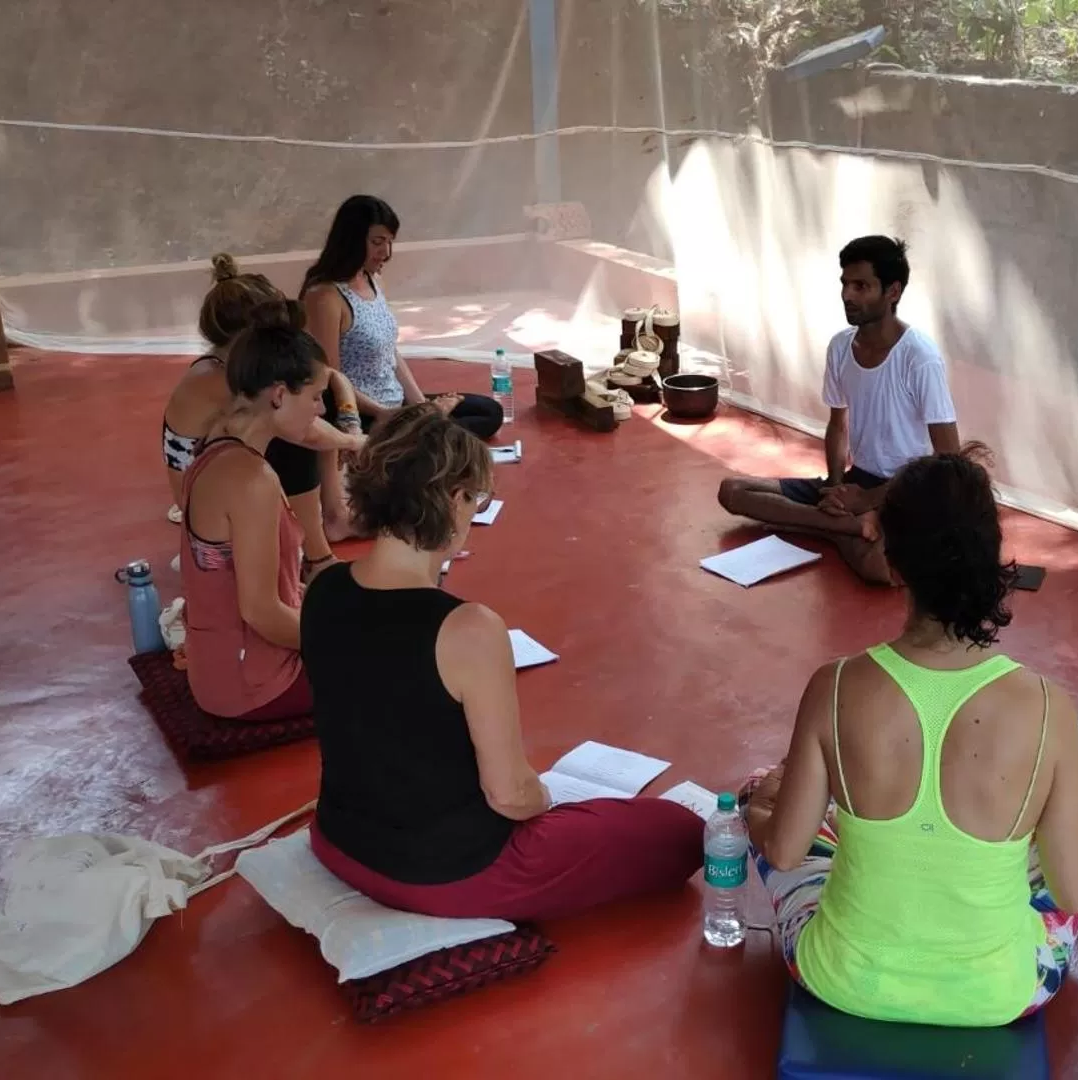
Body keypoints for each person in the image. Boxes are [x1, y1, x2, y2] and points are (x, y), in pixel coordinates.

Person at [741, 445, 1078, 1028]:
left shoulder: (834, 685)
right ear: (993, 559)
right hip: (996, 995)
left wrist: (757, 811)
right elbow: (1073, 892)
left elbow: (786, 852)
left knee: (774, 800)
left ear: (891, 562)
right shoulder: (1049, 707)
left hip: (840, 977)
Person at [302, 402, 703, 920]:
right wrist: (544, 796)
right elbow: (511, 797)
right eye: (474, 499)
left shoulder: (324, 586)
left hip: (338, 839)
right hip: (445, 872)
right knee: (681, 832)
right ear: (452, 499)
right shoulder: (467, 628)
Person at [718, 236, 960, 585]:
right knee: (732, 491)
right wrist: (834, 487)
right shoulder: (841, 347)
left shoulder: (919, 358)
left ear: (892, 292)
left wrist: (870, 498)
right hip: (855, 480)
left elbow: (948, 458)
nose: (848, 295)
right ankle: (844, 528)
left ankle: (821, 524)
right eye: (845, 284)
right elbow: (838, 425)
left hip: (903, 489)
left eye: (861, 286)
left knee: (881, 570)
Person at [300, 196, 506, 537]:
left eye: (390, 242)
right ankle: (415, 445)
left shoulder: (372, 280)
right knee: (447, 437)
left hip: (396, 407)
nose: (386, 253)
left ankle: (421, 435)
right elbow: (332, 379)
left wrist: (421, 405)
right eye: (378, 242)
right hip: (362, 412)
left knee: (486, 412)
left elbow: (391, 352)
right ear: (352, 239)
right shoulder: (325, 296)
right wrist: (384, 413)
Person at [161, 253, 363, 577]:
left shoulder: (237, 366)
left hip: (221, 472)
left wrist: (350, 421)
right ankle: (317, 556)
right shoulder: (219, 379)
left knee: (302, 406)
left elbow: (330, 375)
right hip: (206, 498)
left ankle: (330, 517)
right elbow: (307, 431)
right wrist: (355, 441)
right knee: (293, 426)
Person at [178, 301, 332, 721]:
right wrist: (339, 638)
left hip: (220, 668)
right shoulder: (252, 480)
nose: (321, 410)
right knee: (409, 661)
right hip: (253, 684)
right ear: (280, 395)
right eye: (317, 397)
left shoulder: (216, 446)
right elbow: (260, 612)